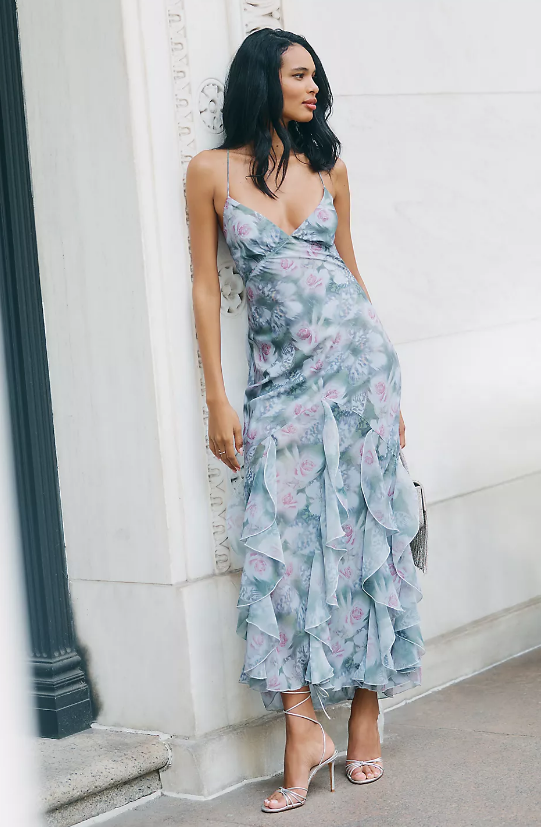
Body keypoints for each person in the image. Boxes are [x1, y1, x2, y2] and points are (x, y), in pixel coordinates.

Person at [187, 27, 425, 814]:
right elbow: (201, 286)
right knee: (278, 552)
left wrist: (391, 388)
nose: (313, 86)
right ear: (263, 80)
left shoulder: (329, 168)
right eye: (299, 74)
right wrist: (217, 397)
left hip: (359, 374)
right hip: (280, 387)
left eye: (315, 76)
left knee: (365, 540)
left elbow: (350, 271)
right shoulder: (209, 173)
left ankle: (362, 713)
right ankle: (301, 727)